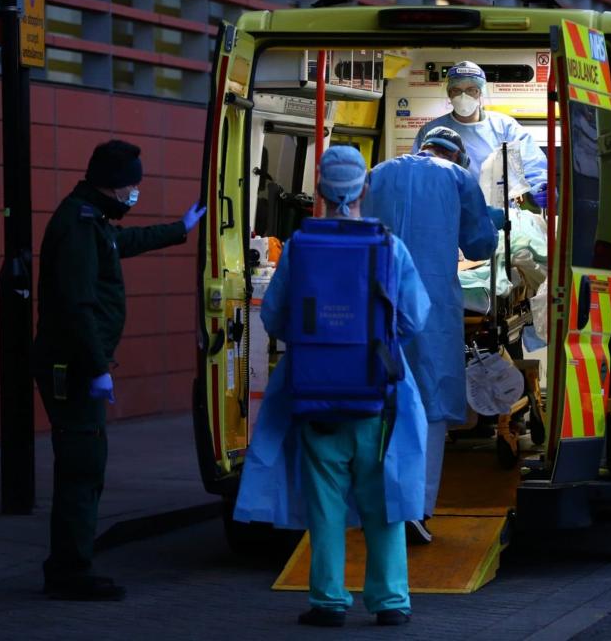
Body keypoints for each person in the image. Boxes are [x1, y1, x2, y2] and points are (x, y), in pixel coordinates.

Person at [234, 146, 431, 628]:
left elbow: (277, 317)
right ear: (365, 189)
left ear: (319, 192)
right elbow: (414, 317)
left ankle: (328, 600)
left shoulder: (301, 246)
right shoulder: (390, 247)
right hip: (379, 396)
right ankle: (390, 602)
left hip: (315, 394)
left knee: (325, 503)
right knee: (383, 501)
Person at [32, 139, 206, 601]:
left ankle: (72, 565)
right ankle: (70, 571)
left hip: (76, 365)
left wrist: (179, 229)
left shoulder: (93, 221)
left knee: (86, 466)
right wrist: (96, 368)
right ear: (112, 184)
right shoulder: (79, 225)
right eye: (132, 185)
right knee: (82, 467)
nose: (135, 193)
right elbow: (77, 305)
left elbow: (123, 243)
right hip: (71, 368)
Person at [365, 128, 503, 545]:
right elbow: (478, 246)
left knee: (378, 408)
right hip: (429, 310)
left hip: (375, 305)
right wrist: (494, 222)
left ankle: (377, 505)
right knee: (431, 407)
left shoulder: (378, 173)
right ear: (459, 156)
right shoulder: (458, 179)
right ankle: (417, 510)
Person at [411, 60, 549, 207]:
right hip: (447, 211)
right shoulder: (432, 131)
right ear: (449, 94)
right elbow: (417, 174)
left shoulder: (504, 127)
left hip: (497, 212)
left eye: (472, 90)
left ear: (481, 92)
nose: (463, 97)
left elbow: (530, 161)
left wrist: (538, 186)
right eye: (456, 90)